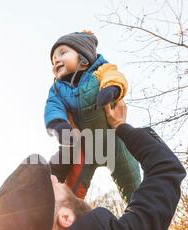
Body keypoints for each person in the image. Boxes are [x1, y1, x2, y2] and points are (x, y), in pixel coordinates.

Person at [0, 99, 187, 230]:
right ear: (65, 218)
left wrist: (71, 142)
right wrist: (121, 126)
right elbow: (166, 168)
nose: (56, 177)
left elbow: (37, 212)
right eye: (53, 185)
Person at [45, 30, 141, 202]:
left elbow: (114, 76)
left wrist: (111, 89)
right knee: (70, 193)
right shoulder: (58, 89)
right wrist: (58, 124)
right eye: (53, 60)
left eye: (62, 53)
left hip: (114, 141)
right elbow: (53, 106)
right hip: (85, 148)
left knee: (132, 183)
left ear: (84, 57)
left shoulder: (101, 70)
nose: (56, 60)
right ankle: (65, 216)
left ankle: (141, 213)